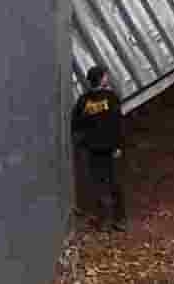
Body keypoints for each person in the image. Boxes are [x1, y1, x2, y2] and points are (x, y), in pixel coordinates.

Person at [72, 65, 127, 231]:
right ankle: (119, 220)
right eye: (106, 76)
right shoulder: (111, 98)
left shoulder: (82, 101)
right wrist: (118, 145)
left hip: (93, 150)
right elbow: (118, 123)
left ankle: (103, 221)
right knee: (114, 183)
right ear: (102, 79)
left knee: (99, 184)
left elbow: (76, 126)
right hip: (110, 148)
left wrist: (83, 144)